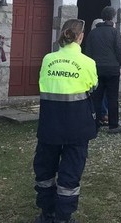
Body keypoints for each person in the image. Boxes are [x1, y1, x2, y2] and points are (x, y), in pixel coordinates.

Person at [33, 18, 97, 223]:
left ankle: (47, 211)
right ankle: (64, 217)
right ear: (81, 37)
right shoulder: (88, 62)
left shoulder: (48, 59)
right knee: (70, 172)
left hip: (49, 123)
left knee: (45, 170)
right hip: (77, 125)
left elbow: (42, 83)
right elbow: (92, 86)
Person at [84, 6, 121, 133]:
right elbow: (120, 50)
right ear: (112, 17)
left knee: (97, 97)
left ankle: (95, 124)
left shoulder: (93, 33)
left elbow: (88, 51)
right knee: (113, 98)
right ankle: (113, 125)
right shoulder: (114, 32)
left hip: (97, 69)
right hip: (112, 69)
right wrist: (119, 63)